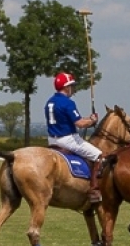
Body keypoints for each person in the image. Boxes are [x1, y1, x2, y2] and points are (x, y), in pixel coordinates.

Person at [44, 70, 103, 204]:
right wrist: (92, 120)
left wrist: (88, 119)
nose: (73, 89)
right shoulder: (68, 103)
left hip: (52, 139)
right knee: (99, 155)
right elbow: (80, 123)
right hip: (67, 139)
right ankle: (94, 189)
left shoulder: (50, 102)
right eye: (72, 86)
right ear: (66, 87)